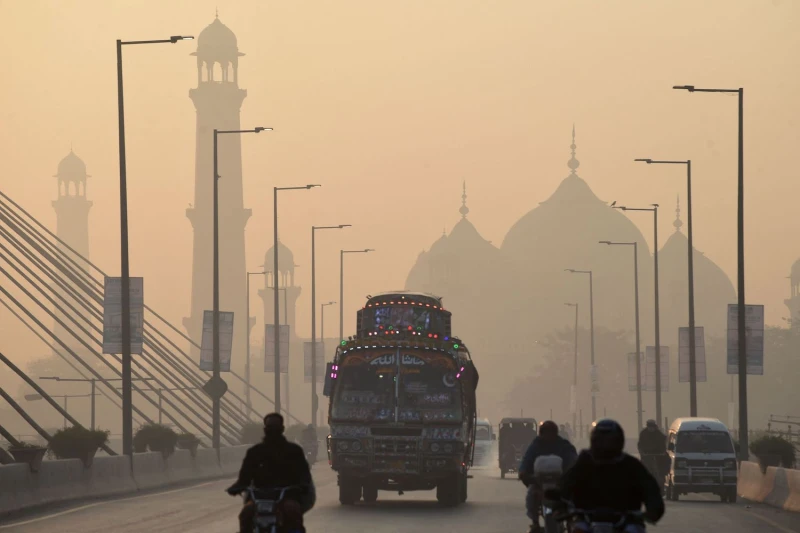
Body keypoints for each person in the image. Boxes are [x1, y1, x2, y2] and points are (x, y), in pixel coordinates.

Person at [559, 419, 665, 533]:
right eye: (601, 441)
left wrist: (654, 509)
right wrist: (559, 504)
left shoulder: (630, 464)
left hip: (625, 522)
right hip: (587, 520)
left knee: (634, 530)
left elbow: (650, 488)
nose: (605, 446)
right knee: (578, 529)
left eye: (610, 441)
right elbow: (565, 483)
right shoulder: (584, 462)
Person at [226, 413, 315, 533]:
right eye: (270, 428)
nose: (272, 431)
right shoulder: (255, 452)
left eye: (275, 428)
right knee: (245, 514)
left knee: (293, 511)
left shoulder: (294, 451)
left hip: (286, 497)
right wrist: (237, 487)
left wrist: (302, 486)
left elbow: (304, 475)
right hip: (259, 499)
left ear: (282, 429)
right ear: (265, 430)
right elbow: (244, 477)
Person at [519, 420, 578, 533]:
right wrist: (523, 473)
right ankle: (535, 522)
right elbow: (526, 461)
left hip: (560, 483)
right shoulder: (536, 445)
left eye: (551, 432)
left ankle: (571, 522)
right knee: (531, 496)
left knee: (573, 498)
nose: (548, 436)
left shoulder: (563, 445)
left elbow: (573, 460)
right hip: (540, 483)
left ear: (555, 433)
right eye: (546, 432)